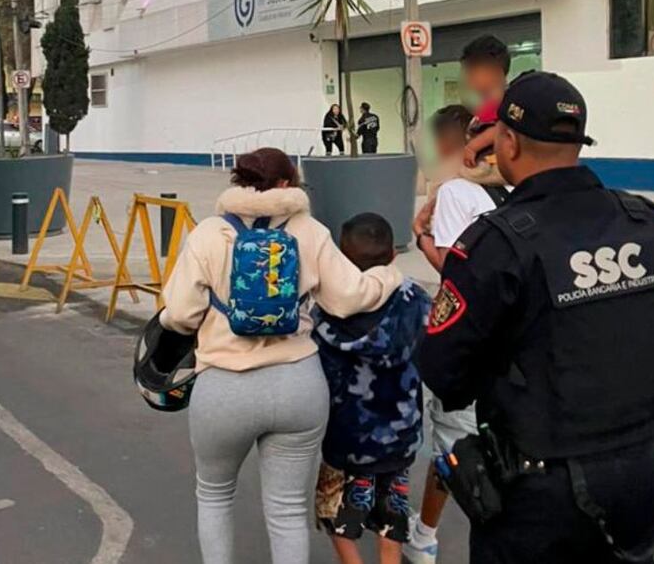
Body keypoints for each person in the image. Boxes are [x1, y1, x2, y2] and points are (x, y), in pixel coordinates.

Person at [417, 71, 654, 563]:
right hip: (640, 472)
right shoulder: (645, 223)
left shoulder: (496, 244)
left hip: (540, 491)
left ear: (508, 142)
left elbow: (444, 372)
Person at [159, 148, 404, 564]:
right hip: (297, 385)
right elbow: (348, 299)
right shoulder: (309, 231)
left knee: (215, 496)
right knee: (288, 510)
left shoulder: (209, 233)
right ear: (287, 184)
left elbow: (180, 315)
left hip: (224, 388)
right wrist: (387, 275)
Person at [404, 106, 510, 564]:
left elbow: (454, 270)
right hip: (513, 338)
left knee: (452, 445)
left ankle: (424, 537)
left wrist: (422, 240)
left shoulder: (454, 192)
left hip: (473, 338)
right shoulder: (506, 189)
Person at [313, 212, 431, 564]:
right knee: (393, 508)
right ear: (393, 254)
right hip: (400, 431)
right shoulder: (417, 300)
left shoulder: (326, 308)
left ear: (341, 258)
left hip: (344, 435)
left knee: (333, 509)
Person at [459, 35, 511, 168]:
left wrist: (472, 148)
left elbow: (501, 129)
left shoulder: (502, 100)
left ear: (494, 71)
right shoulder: (487, 104)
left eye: (472, 73)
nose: (468, 79)